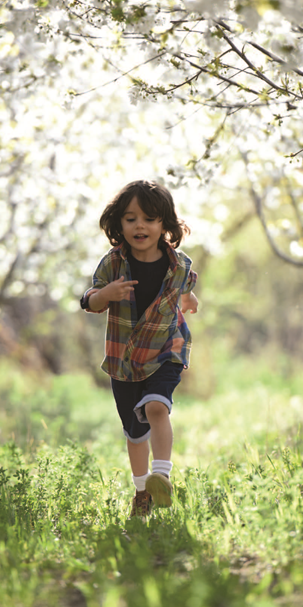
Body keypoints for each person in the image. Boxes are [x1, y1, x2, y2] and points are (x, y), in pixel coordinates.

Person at [80, 180, 198, 518]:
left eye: (149, 218)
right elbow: (89, 299)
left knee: (157, 407)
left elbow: (186, 285)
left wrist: (189, 299)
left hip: (167, 348)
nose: (140, 226)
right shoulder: (113, 264)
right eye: (130, 219)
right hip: (125, 360)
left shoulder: (179, 264)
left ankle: (162, 474)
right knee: (135, 432)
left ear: (165, 225)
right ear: (119, 225)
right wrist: (105, 296)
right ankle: (142, 489)